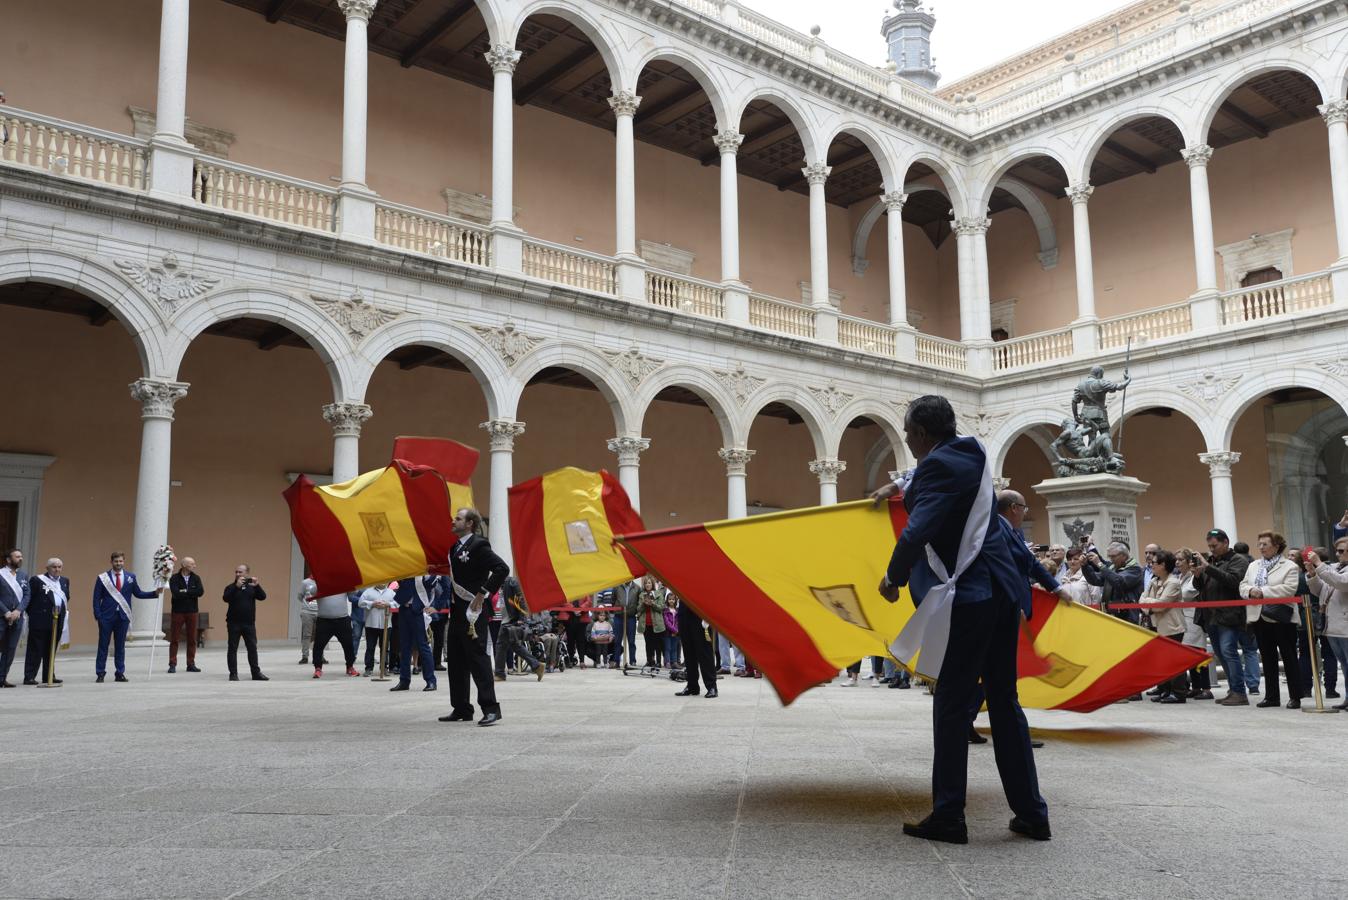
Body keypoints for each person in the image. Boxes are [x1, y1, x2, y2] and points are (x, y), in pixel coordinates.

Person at [872, 394, 1049, 845]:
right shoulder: (971, 453)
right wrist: (895, 488)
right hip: (1002, 593)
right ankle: (1031, 813)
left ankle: (949, 814)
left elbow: (919, 527)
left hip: (970, 597)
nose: (908, 442)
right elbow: (933, 480)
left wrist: (892, 576)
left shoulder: (937, 465)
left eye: (910, 434)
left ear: (924, 434)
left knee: (951, 702)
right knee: (1005, 703)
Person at [439, 507, 509, 727]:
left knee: (478, 660)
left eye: (458, 519)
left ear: (469, 523)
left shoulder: (479, 545)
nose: (453, 521)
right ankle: (461, 707)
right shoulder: (453, 548)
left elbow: (501, 569)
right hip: (457, 610)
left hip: (473, 612)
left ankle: (490, 709)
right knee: (456, 660)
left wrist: (482, 593)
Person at [1240, 531, 1303, 709]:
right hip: (1259, 616)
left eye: (1265, 544)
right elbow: (1243, 585)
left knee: (1289, 657)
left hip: (1282, 618)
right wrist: (1250, 591)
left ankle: (1295, 696)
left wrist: (1263, 591)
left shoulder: (1289, 565)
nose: (1261, 547)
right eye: (1259, 544)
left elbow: (1289, 589)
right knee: (1267, 658)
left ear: (1276, 546)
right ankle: (1272, 696)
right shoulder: (1253, 565)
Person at [1192, 529, 1253, 706]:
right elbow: (1201, 586)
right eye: (1209, 546)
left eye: (1214, 545)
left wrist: (1208, 568)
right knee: (1221, 653)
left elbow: (1234, 581)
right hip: (1211, 615)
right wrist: (1197, 576)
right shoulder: (1211, 561)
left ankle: (1240, 692)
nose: (1211, 549)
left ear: (1226, 542)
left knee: (1229, 651)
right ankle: (1233, 689)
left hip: (1230, 615)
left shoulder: (1238, 560)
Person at [92, 551, 158, 683]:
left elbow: (138, 593)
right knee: (103, 646)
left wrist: (154, 593)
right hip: (106, 617)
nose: (119, 563)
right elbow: (96, 598)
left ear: (124, 561)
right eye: (116, 561)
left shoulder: (130, 577)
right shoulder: (102, 578)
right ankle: (100, 673)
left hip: (123, 616)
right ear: (111, 562)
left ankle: (120, 673)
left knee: (120, 646)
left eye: (121, 561)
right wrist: (98, 615)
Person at [1306, 539, 1348, 710]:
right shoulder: (1335, 567)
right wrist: (1312, 574)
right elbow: (1319, 591)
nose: (1338, 554)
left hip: (1345, 626)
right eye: (1337, 551)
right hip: (1333, 626)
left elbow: (1341, 583)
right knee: (1344, 665)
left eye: (1341, 551)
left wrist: (1318, 563)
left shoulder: (1335, 570)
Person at [1141, 550, 1188, 703]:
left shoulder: (1173, 582)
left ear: (1163, 565)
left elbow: (1161, 605)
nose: (1151, 565)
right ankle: (1166, 690)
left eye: (1154, 563)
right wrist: (1149, 604)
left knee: (1174, 660)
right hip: (1156, 625)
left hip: (1172, 627)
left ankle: (1179, 693)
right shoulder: (1154, 580)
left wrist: (1148, 604)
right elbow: (1141, 600)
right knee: (1162, 660)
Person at [390, 574, 438, 692]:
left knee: (423, 646)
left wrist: (436, 606)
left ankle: (431, 681)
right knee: (404, 647)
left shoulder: (427, 571)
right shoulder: (405, 567)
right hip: (404, 608)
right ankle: (404, 680)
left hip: (418, 610)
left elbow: (434, 585)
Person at [1175, 548, 1213, 700]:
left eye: (1180, 560)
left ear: (1188, 561)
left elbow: (1187, 594)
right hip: (1183, 619)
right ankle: (1196, 687)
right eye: (1176, 560)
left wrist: (1170, 593)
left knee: (1199, 653)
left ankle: (1206, 688)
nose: (1177, 562)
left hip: (1193, 619)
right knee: (1188, 654)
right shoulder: (1180, 577)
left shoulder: (1194, 576)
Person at [24, 558, 68, 685]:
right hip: (39, 620)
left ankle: (48, 675)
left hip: (57, 619)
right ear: (47, 568)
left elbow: (66, 597)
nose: (57, 569)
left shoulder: (65, 581)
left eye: (59, 567)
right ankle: (29, 676)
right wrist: (33, 615)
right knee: (35, 650)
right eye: (54, 567)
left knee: (51, 649)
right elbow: (29, 600)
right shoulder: (37, 580)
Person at [222, 564, 268, 682]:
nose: (238, 574)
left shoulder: (251, 587)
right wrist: (236, 587)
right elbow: (226, 598)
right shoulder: (231, 587)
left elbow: (263, 597)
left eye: (240, 572)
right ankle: (233, 674)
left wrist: (257, 586)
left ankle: (256, 673)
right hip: (233, 623)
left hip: (249, 624)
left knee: (252, 648)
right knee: (232, 648)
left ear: (246, 573)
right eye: (236, 572)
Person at [495, 577, 544, 681]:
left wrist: (522, 618)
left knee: (501, 645)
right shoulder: (502, 585)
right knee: (515, 645)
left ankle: (499, 673)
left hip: (511, 620)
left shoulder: (511, 582)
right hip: (507, 619)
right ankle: (537, 666)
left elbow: (521, 599)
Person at [1081, 541, 1143, 624]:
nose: (1111, 559)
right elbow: (1095, 580)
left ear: (1124, 555)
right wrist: (1085, 566)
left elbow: (1119, 582)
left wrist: (1100, 564)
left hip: (1127, 616)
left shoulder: (1135, 569)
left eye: (1113, 556)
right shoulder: (1113, 568)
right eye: (1109, 556)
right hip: (1109, 613)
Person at [675, 593, 717, 698]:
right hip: (684, 611)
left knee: (704, 653)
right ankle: (692, 686)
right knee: (688, 654)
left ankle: (711, 686)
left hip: (700, 613)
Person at [167, 557, 204, 674]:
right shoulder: (174, 578)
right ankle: (172, 663)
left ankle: (191, 663)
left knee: (192, 638)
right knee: (174, 638)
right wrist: (189, 592)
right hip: (178, 611)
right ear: (184, 565)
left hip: (192, 611)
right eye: (192, 564)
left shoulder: (196, 578)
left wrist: (185, 591)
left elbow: (200, 592)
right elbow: (176, 593)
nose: (194, 566)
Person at [311, 589, 359, 679]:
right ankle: (318, 668)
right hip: (324, 620)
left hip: (342, 620)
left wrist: (350, 584)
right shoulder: (319, 583)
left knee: (348, 645)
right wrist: (320, 584)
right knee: (318, 645)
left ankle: (350, 667)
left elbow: (353, 593)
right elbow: (312, 591)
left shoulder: (342, 583)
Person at [0, 548, 30, 688]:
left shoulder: (23, 575)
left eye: (21, 556)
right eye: (17, 556)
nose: (20, 559)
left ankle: (2, 678)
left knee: (10, 649)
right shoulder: (1, 574)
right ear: (8, 560)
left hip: (17, 617)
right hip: (1, 616)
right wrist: (6, 612)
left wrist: (18, 610)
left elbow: (27, 595)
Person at [358, 582, 396, 676]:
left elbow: (397, 603)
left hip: (386, 624)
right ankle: (368, 668)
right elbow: (360, 603)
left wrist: (388, 604)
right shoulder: (368, 591)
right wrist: (372, 603)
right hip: (371, 623)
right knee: (370, 647)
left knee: (385, 647)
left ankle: (384, 668)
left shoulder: (391, 592)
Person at [637, 576, 665, 667]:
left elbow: (661, 608)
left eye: (649, 583)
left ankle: (658, 662)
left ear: (652, 584)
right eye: (646, 583)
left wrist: (653, 604)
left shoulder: (658, 593)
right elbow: (638, 609)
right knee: (648, 643)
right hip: (645, 623)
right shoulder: (641, 595)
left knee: (657, 644)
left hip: (656, 623)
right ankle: (650, 660)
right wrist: (643, 604)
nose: (647, 585)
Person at [296, 577, 318, 665]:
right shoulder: (305, 582)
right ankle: (305, 656)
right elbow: (300, 596)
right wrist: (307, 604)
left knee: (320, 636)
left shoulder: (322, 580)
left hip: (320, 611)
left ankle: (320, 656)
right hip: (307, 612)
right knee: (306, 635)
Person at [663, 595, 680, 668]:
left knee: (674, 648)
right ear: (667, 600)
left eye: (673, 599)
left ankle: (674, 662)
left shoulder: (677, 610)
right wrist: (674, 630)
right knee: (668, 648)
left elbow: (678, 621)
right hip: (668, 633)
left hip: (676, 633)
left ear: (675, 601)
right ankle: (667, 662)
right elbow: (667, 622)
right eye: (669, 599)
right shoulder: (666, 611)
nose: (671, 601)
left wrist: (676, 631)